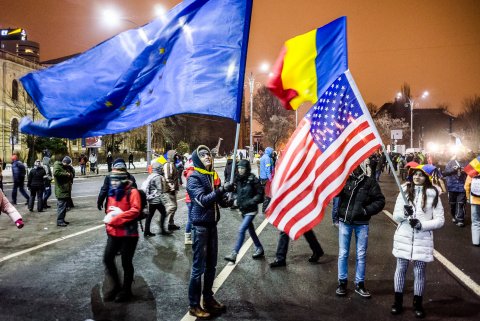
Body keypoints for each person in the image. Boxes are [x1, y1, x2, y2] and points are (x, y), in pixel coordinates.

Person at [391, 164, 444, 318]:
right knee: (401, 268)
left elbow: (440, 220)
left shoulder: (433, 193)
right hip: (403, 237)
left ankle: (418, 304)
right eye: (415, 174)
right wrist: (405, 215)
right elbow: (396, 215)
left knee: (419, 271)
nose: (417, 177)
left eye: (420, 175)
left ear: (426, 177)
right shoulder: (404, 191)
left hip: (423, 239)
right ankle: (397, 302)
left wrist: (422, 225)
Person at [186, 145, 233, 319]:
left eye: (208, 154)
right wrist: (220, 190)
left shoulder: (210, 176)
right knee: (198, 269)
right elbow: (203, 201)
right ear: (197, 159)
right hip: (200, 228)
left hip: (212, 226)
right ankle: (194, 305)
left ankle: (208, 299)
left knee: (211, 266)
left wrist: (228, 198)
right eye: (203, 155)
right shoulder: (194, 178)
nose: (207, 157)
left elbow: (218, 202)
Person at [336, 161, 385, 298]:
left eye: (357, 164)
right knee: (343, 253)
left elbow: (380, 201)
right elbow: (335, 195)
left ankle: (360, 284)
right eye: (353, 165)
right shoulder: (344, 179)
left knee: (361, 254)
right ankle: (342, 282)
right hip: (345, 222)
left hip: (362, 223)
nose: (355, 167)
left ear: (362, 166)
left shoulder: (370, 182)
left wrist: (365, 211)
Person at [102, 167, 141, 302]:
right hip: (114, 232)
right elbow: (109, 209)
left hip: (129, 234)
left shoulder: (132, 191)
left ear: (122, 180)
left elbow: (135, 210)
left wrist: (117, 217)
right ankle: (117, 286)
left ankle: (126, 290)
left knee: (126, 262)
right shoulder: (113, 192)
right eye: (112, 180)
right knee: (107, 258)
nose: (112, 183)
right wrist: (109, 220)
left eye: (115, 180)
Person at [224, 159, 264, 263]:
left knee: (242, 229)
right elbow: (236, 192)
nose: (240, 170)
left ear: (247, 168)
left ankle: (234, 253)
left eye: (243, 168)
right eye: (239, 168)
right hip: (243, 210)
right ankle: (259, 248)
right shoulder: (238, 179)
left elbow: (260, 195)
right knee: (251, 230)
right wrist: (230, 190)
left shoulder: (253, 179)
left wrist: (250, 202)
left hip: (251, 210)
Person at [144, 162, 171, 237]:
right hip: (157, 200)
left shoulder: (151, 175)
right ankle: (162, 230)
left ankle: (146, 231)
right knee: (164, 213)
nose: (162, 169)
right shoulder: (158, 177)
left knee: (149, 216)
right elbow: (160, 190)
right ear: (158, 169)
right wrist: (165, 201)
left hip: (151, 199)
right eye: (161, 168)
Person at [443, 153, 468, 227]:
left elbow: (471, 173)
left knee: (461, 203)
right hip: (452, 186)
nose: (460, 155)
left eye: (462, 154)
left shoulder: (467, 163)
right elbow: (445, 173)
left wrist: (464, 171)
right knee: (452, 204)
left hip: (462, 187)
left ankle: (460, 219)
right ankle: (454, 216)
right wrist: (452, 170)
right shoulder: (450, 162)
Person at [464, 157, 480, 247]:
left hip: (475, 199)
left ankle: (476, 241)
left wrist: (468, 197)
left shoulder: (473, 172)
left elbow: (467, 186)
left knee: (476, 221)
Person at [54, 156, 74, 227]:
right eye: (68, 164)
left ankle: (62, 219)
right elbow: (56, 173)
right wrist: (66, 174)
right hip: (61, 190)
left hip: (64, 190)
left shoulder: (63, 167)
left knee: (63, 207)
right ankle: (59, 221)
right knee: (61, 206)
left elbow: (72, 174)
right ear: (65, 162)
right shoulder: (58, 166)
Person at [163, 150, 180, 231]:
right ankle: (163, 220)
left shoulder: (172, 164)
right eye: (175, 155)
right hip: (169, 190)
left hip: (172, 189)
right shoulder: (168, 165)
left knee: (174, 206)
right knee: (173, 207)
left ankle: (171, 224)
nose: (177, 157)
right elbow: (167, 178)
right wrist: (172, 188)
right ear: (171, 156)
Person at [183, 157, 195, 245]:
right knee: (191, 219)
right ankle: (187, 238)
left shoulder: (189, 171)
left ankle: (190, 236)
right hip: (191, 199)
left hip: (189, 198)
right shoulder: (191, 172)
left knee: (192, 218)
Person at [259, 147, 274, 212]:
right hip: (266, 178)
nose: (272, 153)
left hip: (262, 178)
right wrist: (270, 179)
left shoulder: (263, 157)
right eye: (272, 152)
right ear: (270, 152)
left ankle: (265, 208)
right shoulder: (267, 158)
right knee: (267, 194)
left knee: (265, 193)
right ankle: (265, 209)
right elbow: (267, 169)